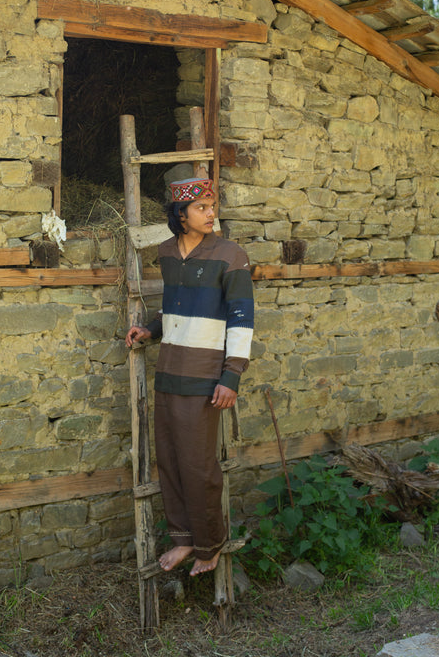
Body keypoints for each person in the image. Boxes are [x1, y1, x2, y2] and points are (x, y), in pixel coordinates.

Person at [125, 177, 254, 577]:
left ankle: (209, 544)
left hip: (204, 376)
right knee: (170, 461)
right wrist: (151, 329)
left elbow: (242, 319)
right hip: (169, 372)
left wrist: (231, 376)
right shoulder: (166, 252)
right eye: (201, 207)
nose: (211, 212)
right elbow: (176, 308)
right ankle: (182, 538)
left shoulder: (231, 255)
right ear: (181, 216)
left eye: (212, 204)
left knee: (199, 466)